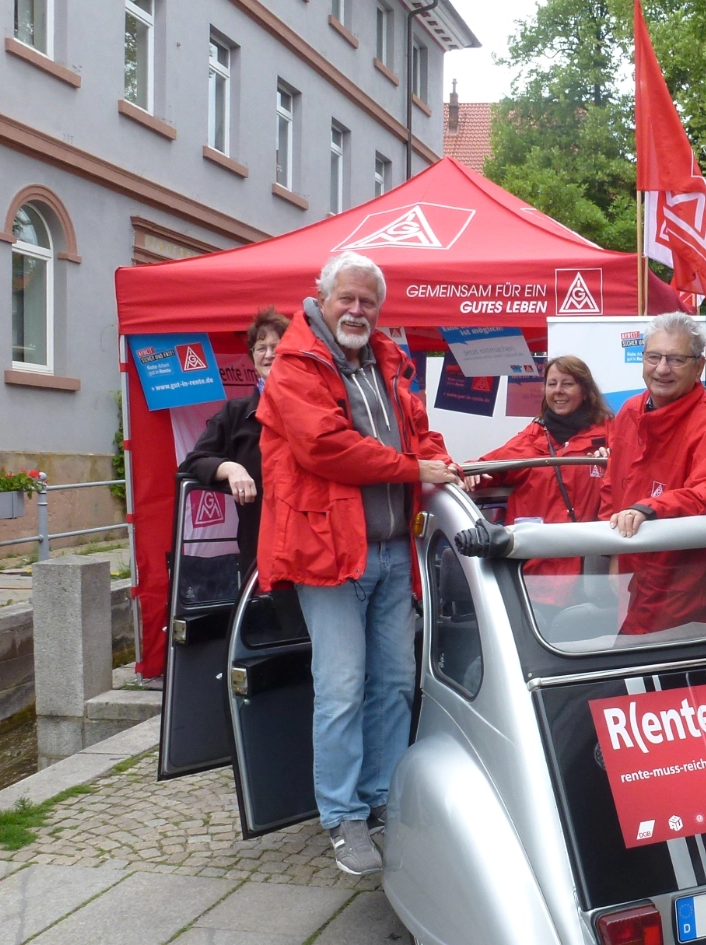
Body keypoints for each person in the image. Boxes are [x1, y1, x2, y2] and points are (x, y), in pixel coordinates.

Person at [257, 251, 459, 877]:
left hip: (394, 552)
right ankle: (343, 817)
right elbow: (323, 447)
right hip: (328, 555)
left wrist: (442, 466)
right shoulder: (294, 364)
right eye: (348, 297)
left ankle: (383, 802)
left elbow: (418, 435)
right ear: (321, 296)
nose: (358, 310)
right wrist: (412, 469)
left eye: (369, 301)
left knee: (395, 683)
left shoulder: (387, 362)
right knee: (342, 689)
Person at [601, 313, 706, 635]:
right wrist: (614, 553)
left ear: (699, 365)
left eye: (676, 359)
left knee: (659, 670)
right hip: (632, 566)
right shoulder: (629, 412)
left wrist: (650, 508)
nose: (662, 368)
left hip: (684, 580)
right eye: (654, 356)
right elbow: (613, 487)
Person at [471, 356, 613, 578]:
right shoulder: (531, 438)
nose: (558, 391)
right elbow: (484, 468)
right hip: (534, 574)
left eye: (567, 384)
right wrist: (469, 474)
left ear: (585, 391)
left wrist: (613, 463)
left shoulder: (610, 436)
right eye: (552, 383)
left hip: (591, 573)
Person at [179, 307, 290, 585]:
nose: (268, 354)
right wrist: (230, 468)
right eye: (260, 347)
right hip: (260, 551)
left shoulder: (315, 405)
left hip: (315, 548)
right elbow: (193, 462)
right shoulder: (236, 413)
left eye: (276, 347)